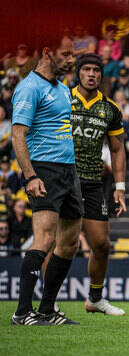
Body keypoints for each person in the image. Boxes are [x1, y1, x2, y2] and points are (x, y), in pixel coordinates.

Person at [10, 36, 82, 325]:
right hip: (44, 169)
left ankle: (47, 310)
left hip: (68, 170)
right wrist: (31, 176)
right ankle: (22, 312)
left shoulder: (63, 89)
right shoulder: (29, 87)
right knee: (45, 238)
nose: (71, 59)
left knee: (69, 244)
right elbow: (18, 136)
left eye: (72, 54)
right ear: (47, 53)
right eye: (65, 54)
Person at [70, 53, 127, 316]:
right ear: (78, 73)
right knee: (59, 243)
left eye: (96, 70)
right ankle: (48, 303)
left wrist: (120, 187)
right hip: (64, 180)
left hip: (93, 182)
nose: (91, 74)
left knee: (102, 244)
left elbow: (117, 149)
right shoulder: (63, 100)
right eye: (86, 69)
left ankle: (95, 298)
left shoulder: (110, 108)